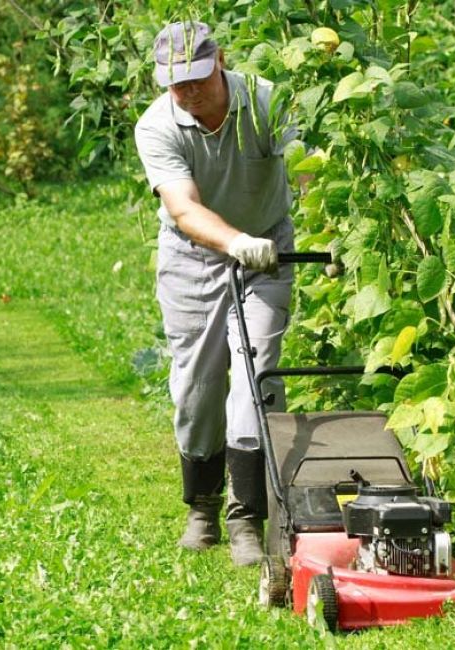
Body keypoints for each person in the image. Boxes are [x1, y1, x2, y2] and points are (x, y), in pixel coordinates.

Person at [134, 21, 297, 566]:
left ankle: (246, 517)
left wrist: (334, 231)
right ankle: (201, 505)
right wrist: (233, 241)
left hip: (268, 252)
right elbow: (183, 207)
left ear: (220, 60)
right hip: (193, 257)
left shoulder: (266, 101)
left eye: (197, 78)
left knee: (256, 374)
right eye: (175, 83)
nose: (188, 92)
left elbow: (307, 170)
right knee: (198, 386)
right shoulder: (157, 126)